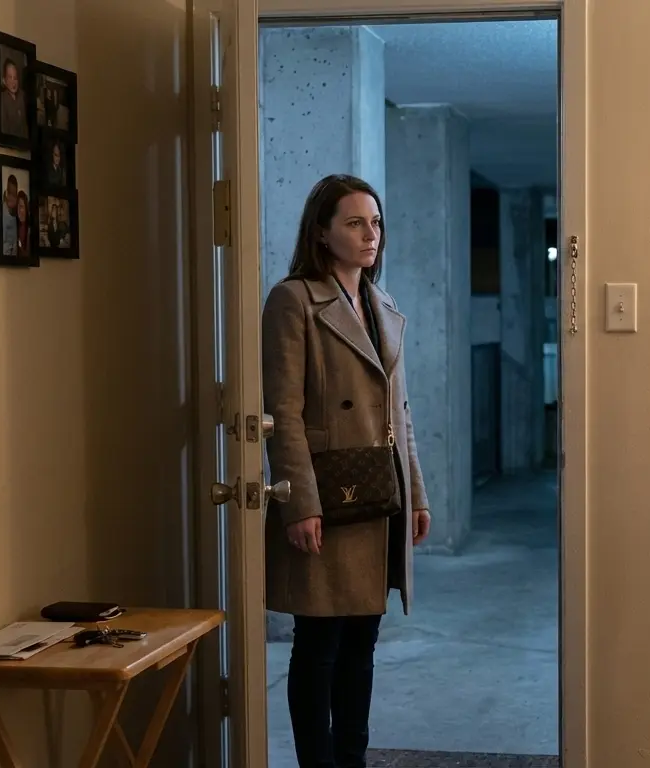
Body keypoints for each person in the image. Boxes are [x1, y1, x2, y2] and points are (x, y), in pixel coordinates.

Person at [262, 173, 433, 768]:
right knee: (319, 645)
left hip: (378, 493)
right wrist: (299, 503)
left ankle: (352, 760)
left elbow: (400, 413)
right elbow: (282, 411)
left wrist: (416, 493)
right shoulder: (293, 300)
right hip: (328, 495)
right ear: (322, 232)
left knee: (362, 645)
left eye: (375, 222)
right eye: (355, 223)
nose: (370, 234)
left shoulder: (382, 304)